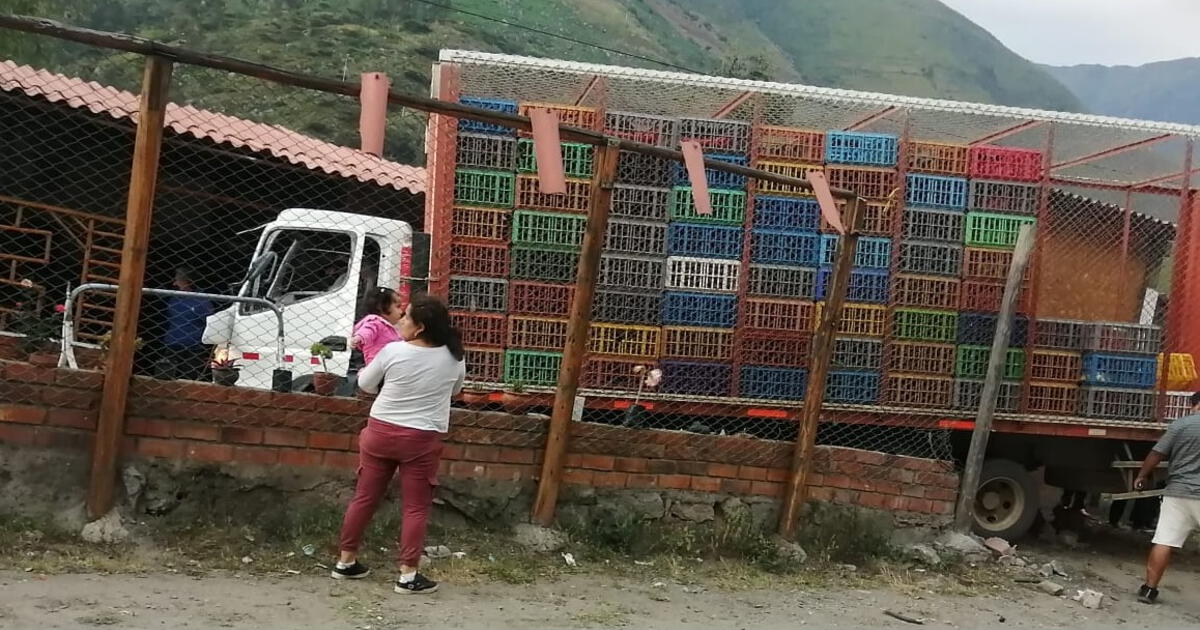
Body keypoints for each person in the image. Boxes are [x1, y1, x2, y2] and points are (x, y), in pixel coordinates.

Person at [332, 294, 465, 594]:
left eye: (406, 317)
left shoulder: (393, 351)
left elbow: (365, 384)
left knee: (364, 498)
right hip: (421, 438)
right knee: (415, 507)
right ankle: (407, 575)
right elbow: (456, 390)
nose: (400, 321)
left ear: (419, 328)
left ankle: (346, 562)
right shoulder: (454, 357)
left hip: (380, 431)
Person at [1133, 391, 1200, 604]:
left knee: (1164, 541)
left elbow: (1157, 453)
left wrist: (1142, 476)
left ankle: (1149, 590)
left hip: (1177, 493)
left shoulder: (1181, 425)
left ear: (1195, 405)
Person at [162, 268, 213, 380]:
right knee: (166, 375)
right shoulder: (174, 298)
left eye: (178, 280)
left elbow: (209, 322)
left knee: (189, 377)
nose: (174, 283)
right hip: (172, 344)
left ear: (188, 281)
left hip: (194, 347)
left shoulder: (202, 300)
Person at [351, 287, 403, 366]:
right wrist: (359, 338)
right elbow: (367, 330)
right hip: (376, 365)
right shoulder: (375, 321)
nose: (401, 311)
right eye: (398, 307)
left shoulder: (391, 327)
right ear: (381, 307)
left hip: (389, 364)